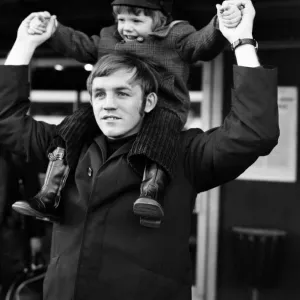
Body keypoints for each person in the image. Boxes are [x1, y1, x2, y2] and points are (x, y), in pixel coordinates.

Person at [0, 0, 279, 298]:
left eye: (122, 93)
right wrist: (24, 44)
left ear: (148, 101)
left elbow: (253, 133)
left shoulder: (184, 153)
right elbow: (7, 121)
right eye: (99, 94)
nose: (108, 103)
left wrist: (241, 41)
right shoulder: (67, 144)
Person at [11, 0, 244, 228]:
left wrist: (220, 22)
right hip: (118, 108)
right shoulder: (109, 39)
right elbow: (80, 45)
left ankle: (151, 192)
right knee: (72, 125)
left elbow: (201, 43)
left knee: (160, 131)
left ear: (160, 20)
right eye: (121, 19)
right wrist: (54, 31)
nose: (126, 27)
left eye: (136, 20)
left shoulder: (176, 36)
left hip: (164, 107)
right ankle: (50, 194)